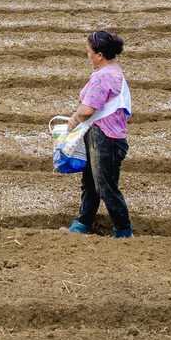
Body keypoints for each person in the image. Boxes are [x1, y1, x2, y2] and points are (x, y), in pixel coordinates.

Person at [68, 28, 132, 238]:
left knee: (105, 186)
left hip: (105, 137)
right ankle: (82, 223)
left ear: (100, 55)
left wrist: (73, 120)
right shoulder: (116, 72)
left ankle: (123, 230)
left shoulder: (103, 76)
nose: (88, 55)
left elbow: (87, 110)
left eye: (89, 51)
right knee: (91, 182)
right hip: (107, 136)